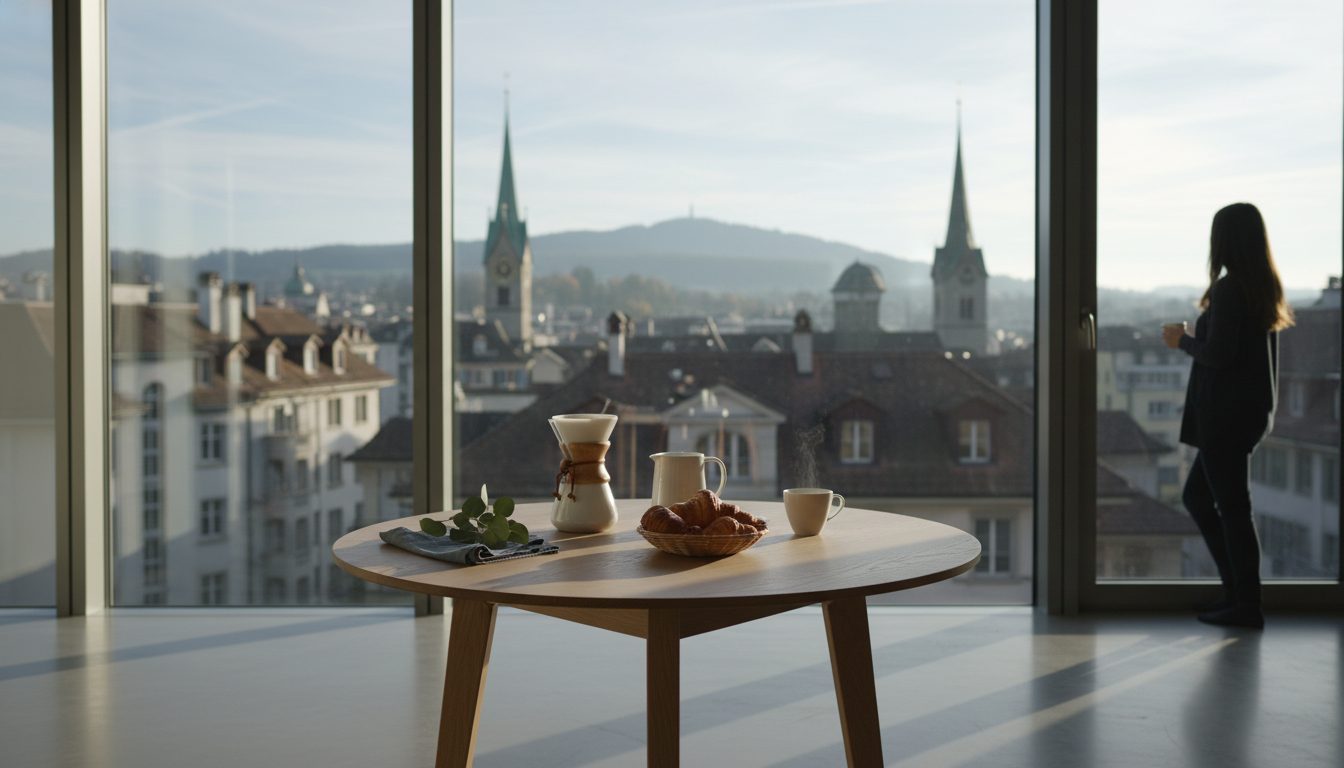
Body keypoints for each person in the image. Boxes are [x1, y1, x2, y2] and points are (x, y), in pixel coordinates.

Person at [1162, 202, 1294, 629]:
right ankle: (1238, 596)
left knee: (1230, 508)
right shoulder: (1262, 285)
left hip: (1224, 417)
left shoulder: (1229, 288)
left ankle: (1245, 603)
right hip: (1248, 414)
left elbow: (1217, 356)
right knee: (1208, 500)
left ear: (1223, 241)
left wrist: (1182, 340)